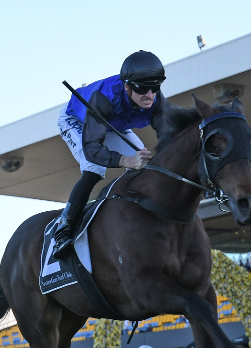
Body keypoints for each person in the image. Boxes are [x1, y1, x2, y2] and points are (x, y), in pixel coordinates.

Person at [52, 50, 167, 259]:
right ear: (127, 86)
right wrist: (126, 160)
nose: (150, 95)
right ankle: (64, 228)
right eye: (143, 89)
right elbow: (92, 149)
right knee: (94, 169)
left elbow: (169, 135)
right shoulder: (104, 98)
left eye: (155, 87)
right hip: (78, 120)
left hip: (112, 123)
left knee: (147, 165)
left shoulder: (154, 97)